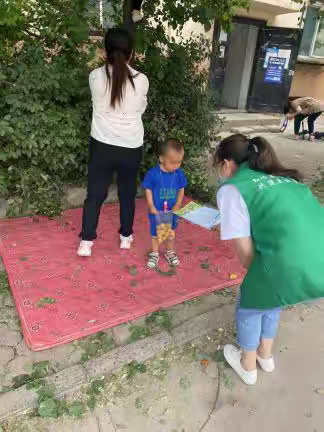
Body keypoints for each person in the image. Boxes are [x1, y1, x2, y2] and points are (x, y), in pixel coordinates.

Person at [214, 134, 324, 386]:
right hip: (320, 264)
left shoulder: (233, 188)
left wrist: (260, 284)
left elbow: (246, 256)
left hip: (293, 266)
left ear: (228, 163)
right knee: (272, 295)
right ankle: (265, 355)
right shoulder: (285, 179)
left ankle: (248, 365)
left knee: (252, 300)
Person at [78, 28, 149, 257]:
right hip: (130, 147)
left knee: (95, 194)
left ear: (104, 51)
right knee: (127, 193)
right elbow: (140, 109)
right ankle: (126, 237)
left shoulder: (94, 77)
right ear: (131, 53)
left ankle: (86, 242)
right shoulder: (142, 81)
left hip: (102, 146)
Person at [142, 139, 187, 269]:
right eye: (173, 162)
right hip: (157, 211)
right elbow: (148, 189)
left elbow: (181, 189)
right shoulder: (153, 174)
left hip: (172, 211)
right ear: (162, 158)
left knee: (170, 232)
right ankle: (155, 253)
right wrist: (151, 205)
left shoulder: (178, 174)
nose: (176, 165)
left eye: (179, 162)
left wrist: (178, 203)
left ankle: (169, 252)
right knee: (156, 233)